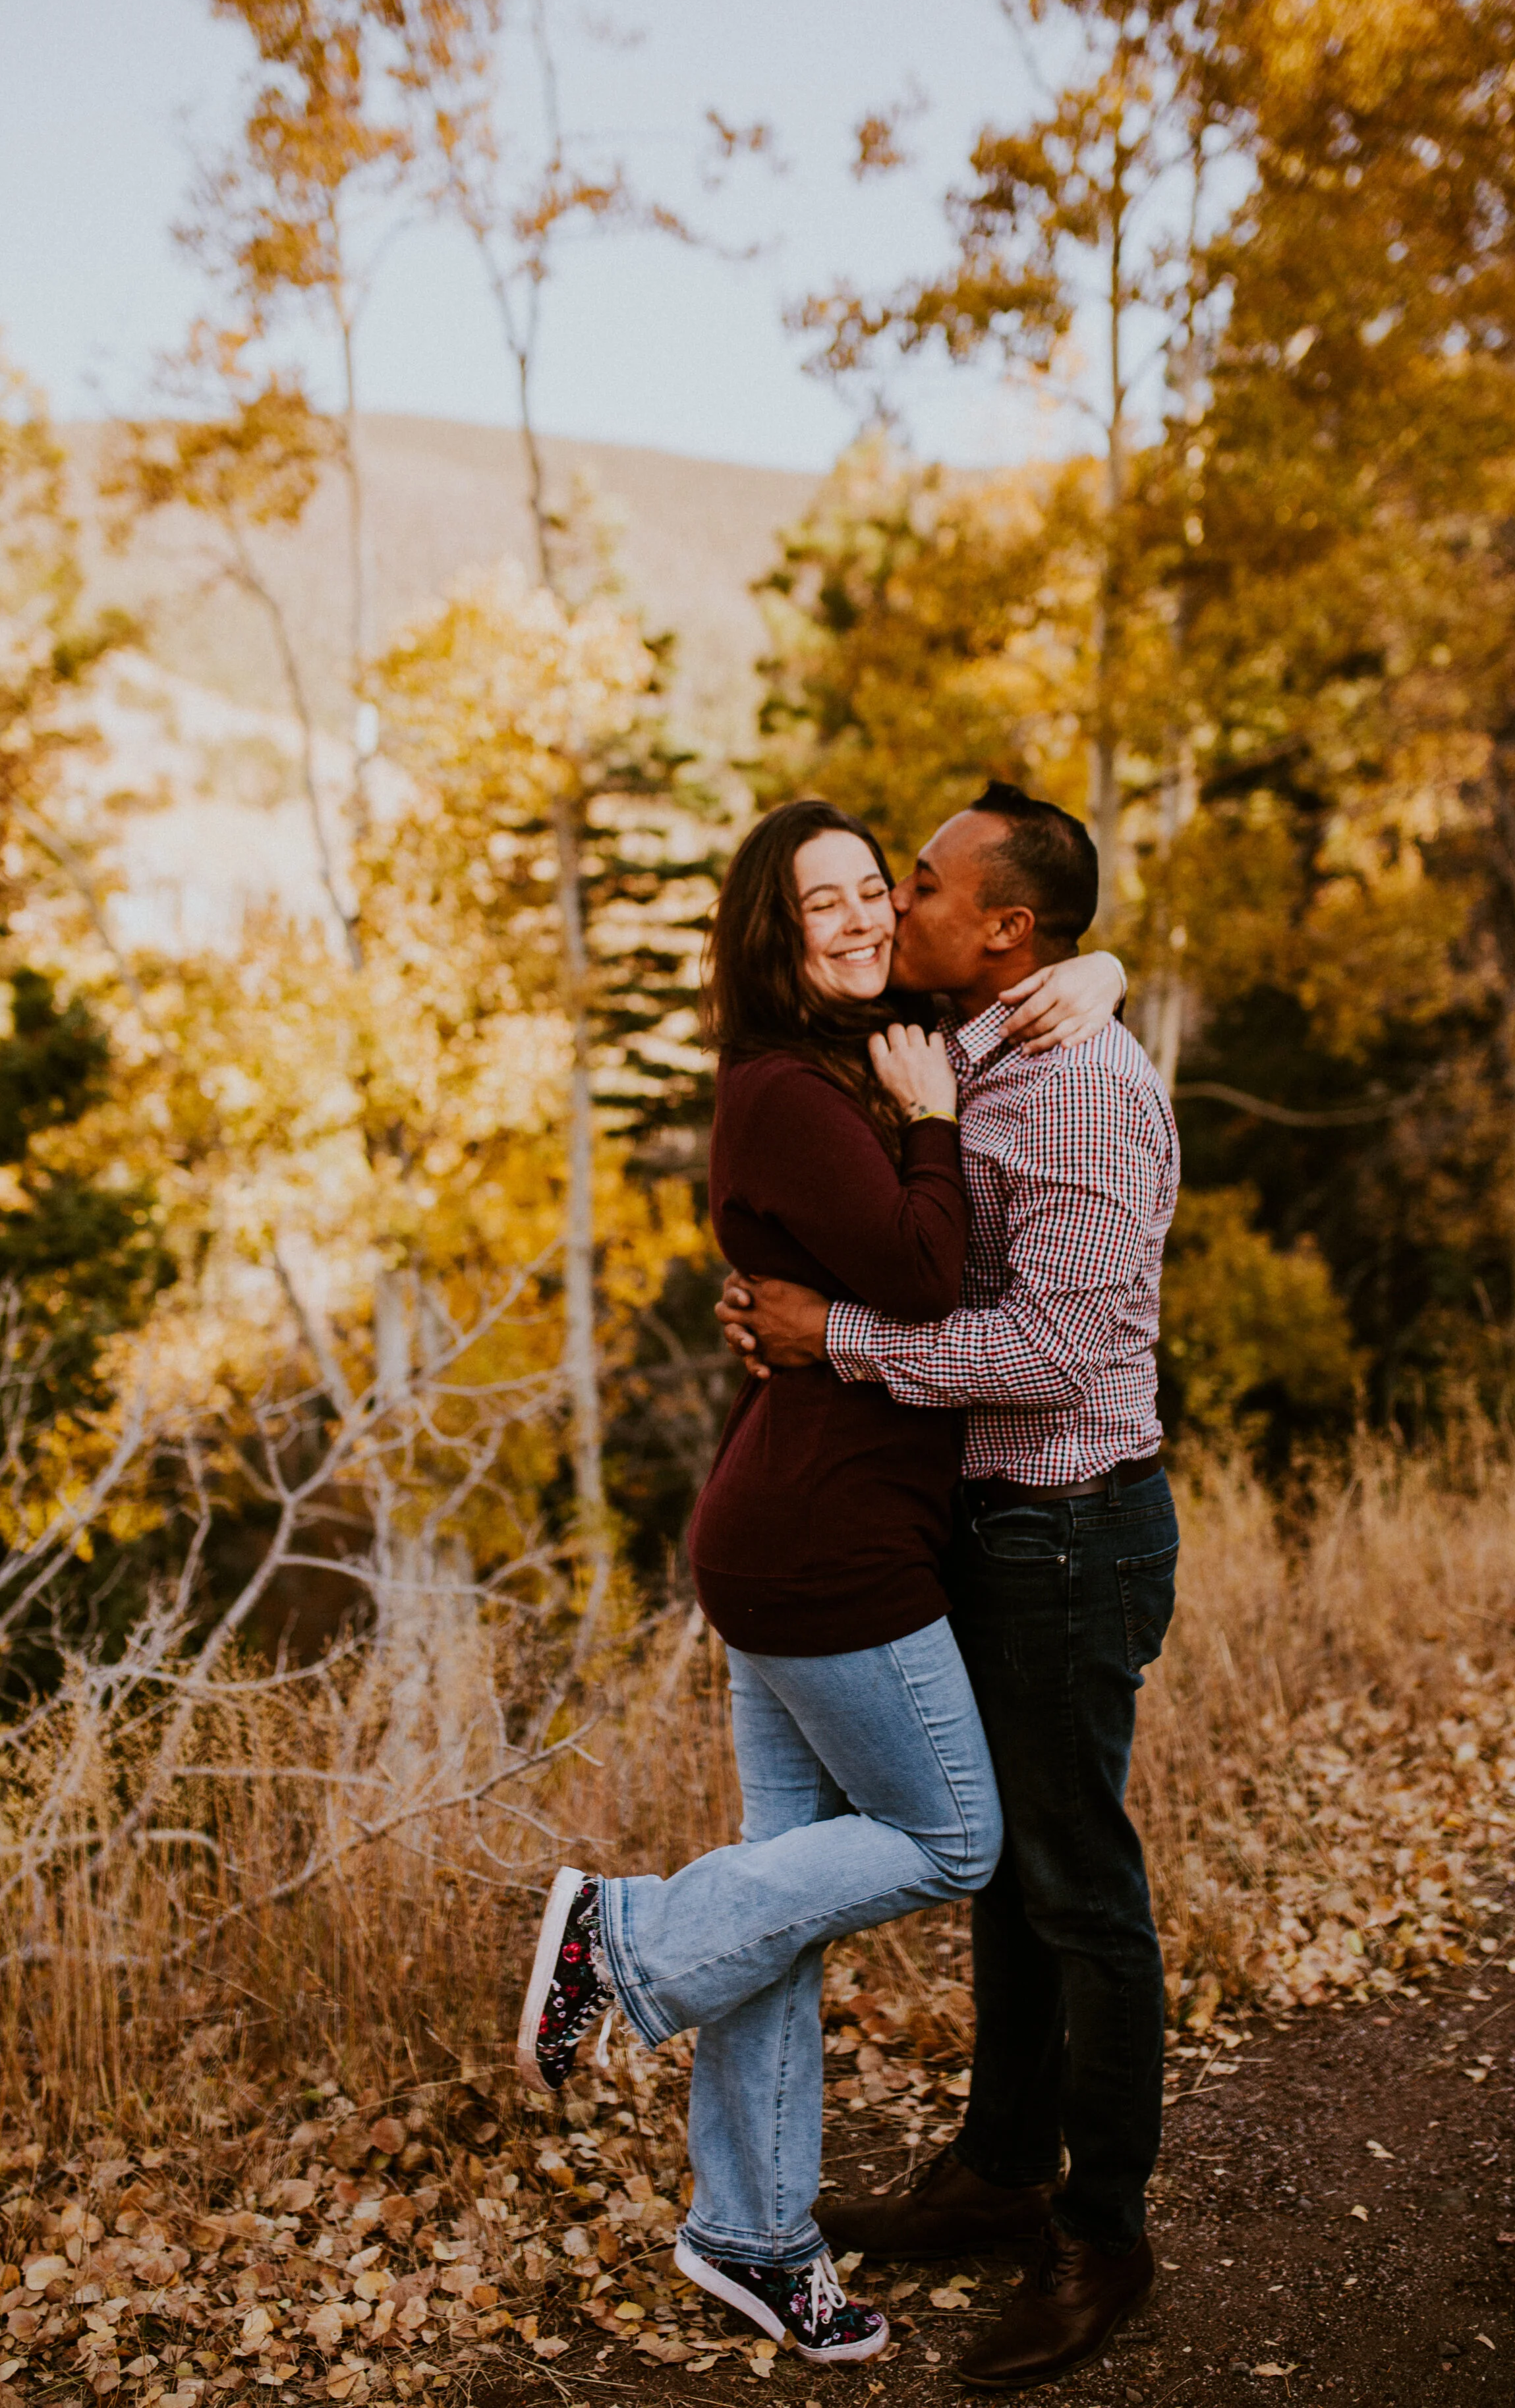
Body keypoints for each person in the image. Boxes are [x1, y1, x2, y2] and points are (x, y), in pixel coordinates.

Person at [515, 798, 1124, 2371]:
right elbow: (922, 1275)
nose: (863, 917)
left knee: (781, 1889)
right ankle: (624, 1943)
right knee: (952, 1837)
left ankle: (752, 2233)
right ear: (767, 937)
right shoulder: (791, 1091)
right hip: (823, 1542)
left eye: (878, 889)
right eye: (826, 903)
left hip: (795, 1522)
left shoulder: (893, 1036)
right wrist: (923, 1131)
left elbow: (1026, 970)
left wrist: (1102, 969)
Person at [716, 783, 1180, 2394]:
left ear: (1005, 935)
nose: (891, 909)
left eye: (917, 887)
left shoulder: (1067, 1085)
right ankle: (998, 2166)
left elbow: (1049, 1357)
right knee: (1012, 1876)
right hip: (990, 1527)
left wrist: (829, 1337)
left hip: (1067, 1526)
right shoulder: (970, 1034)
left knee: (1073, 1883)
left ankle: (1101, 2236)